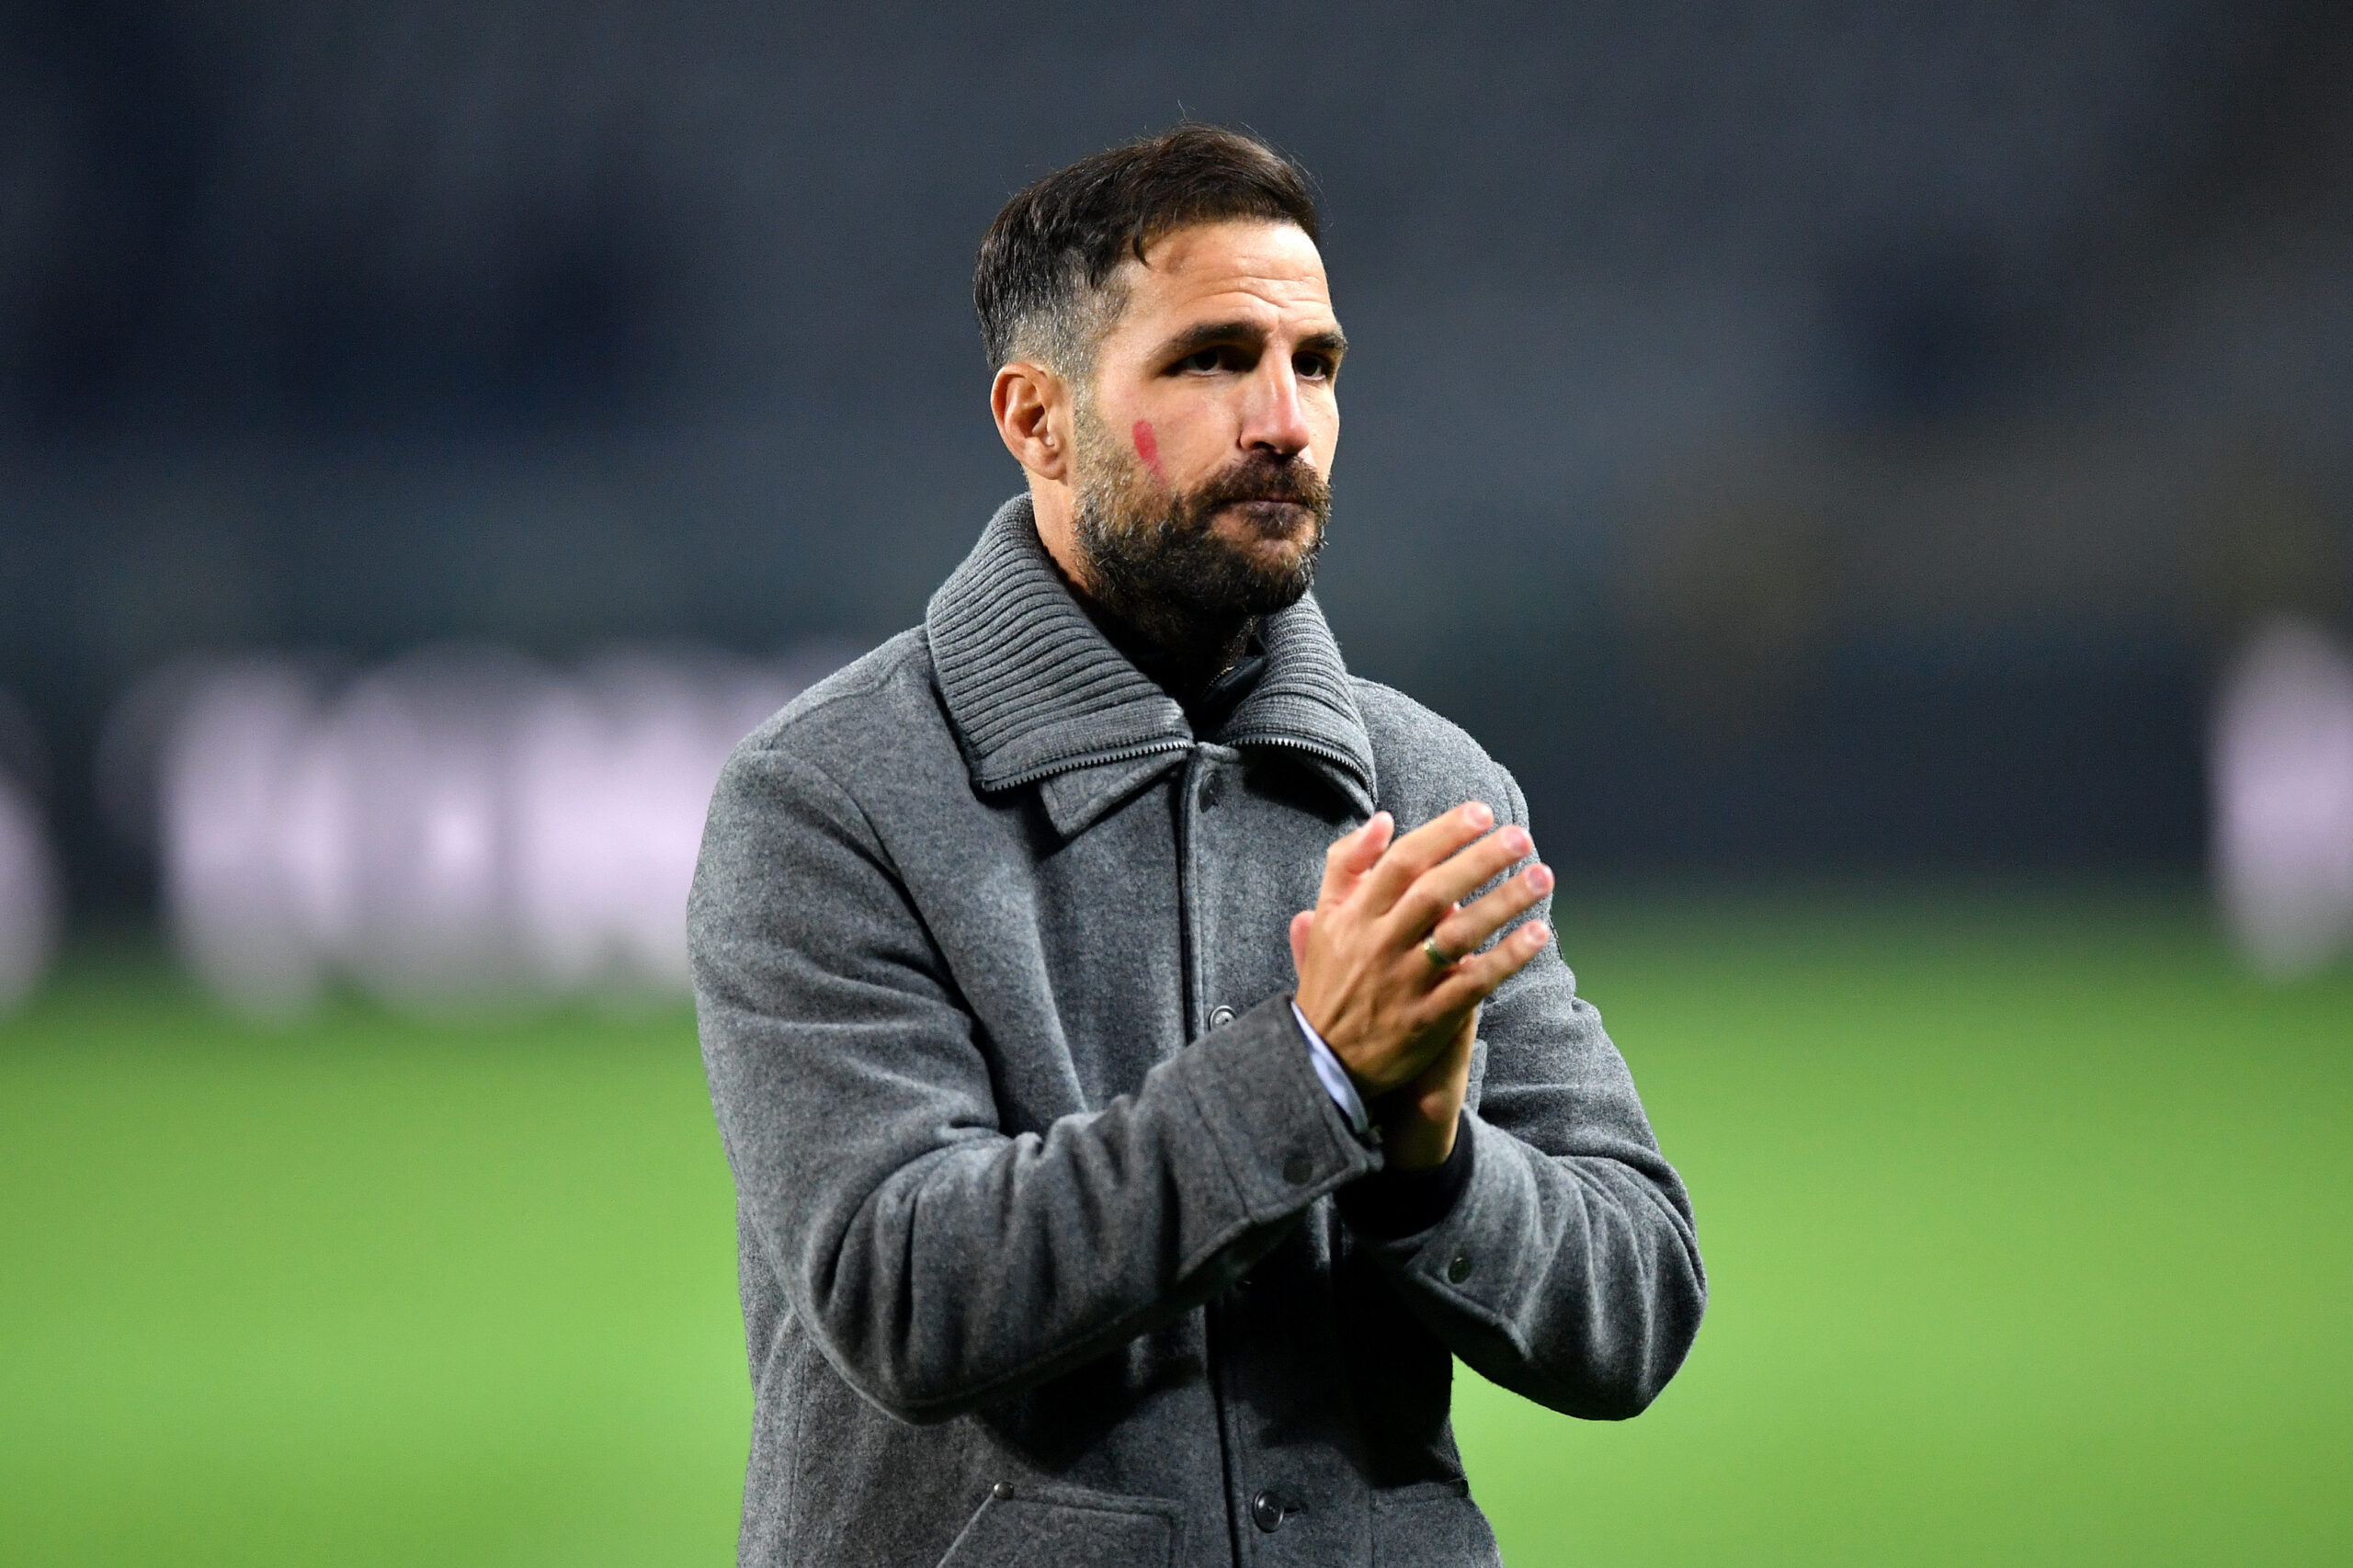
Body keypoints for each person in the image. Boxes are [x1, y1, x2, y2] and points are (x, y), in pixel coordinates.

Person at [689, 125, 1704, 1568]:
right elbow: (904, 1289)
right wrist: (1312, 1074)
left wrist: (1431, 1162)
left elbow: (1641, 1298)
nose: (1285, 419)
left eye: (1317, 364)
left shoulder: (1426, 784)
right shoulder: (827, 798)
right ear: (1037, 419)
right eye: (1214, 359)